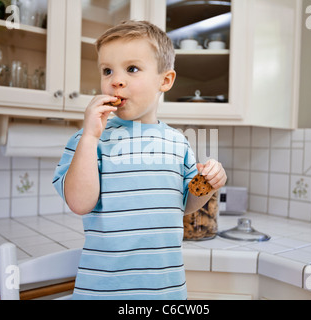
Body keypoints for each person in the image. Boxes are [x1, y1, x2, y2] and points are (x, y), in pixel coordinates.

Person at [53, 20, 227, 300]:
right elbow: (79, 202)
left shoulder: (177, 142)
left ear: (165, 80)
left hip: (166, 292)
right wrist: (89, 138)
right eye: (107, 70)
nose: (116, 80)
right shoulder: (89, 141)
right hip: (102, 293)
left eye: (131, 69)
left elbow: (185, 205)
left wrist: (207, 184)